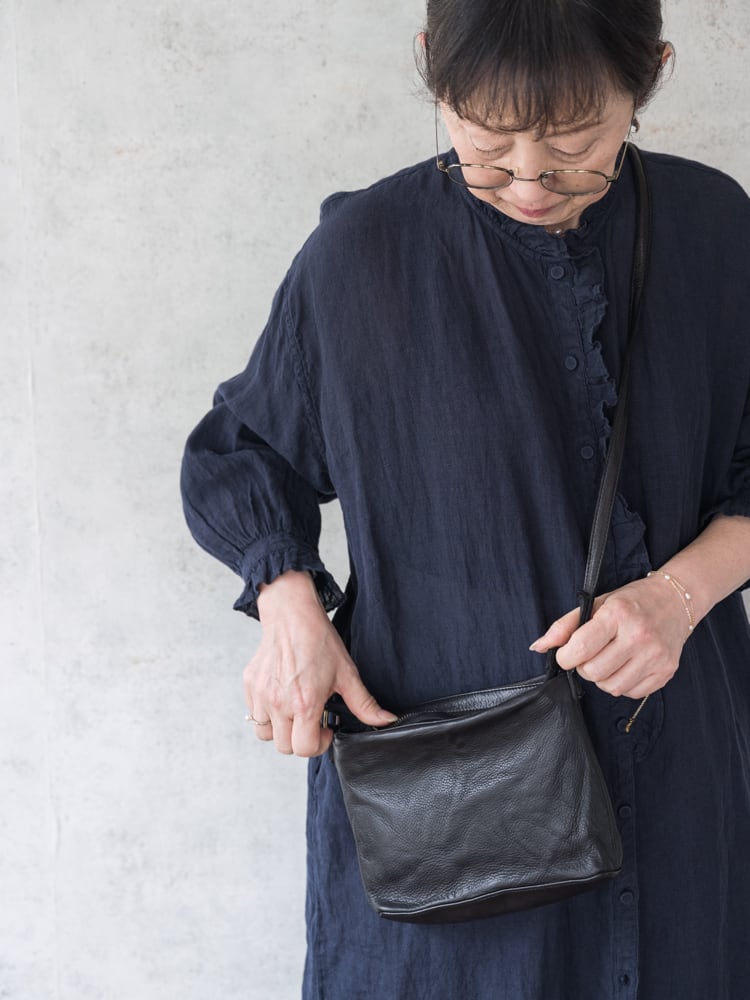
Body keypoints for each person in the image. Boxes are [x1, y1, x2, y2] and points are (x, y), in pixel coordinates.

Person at [180, 1, 750, 996]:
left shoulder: (713, 228)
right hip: (443, 804)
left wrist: (678, 596)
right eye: (485, 144)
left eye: (574, 144)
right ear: (430, 71)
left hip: (675, 777)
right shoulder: (361, 255)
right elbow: (242, 454)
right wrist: (288, 607)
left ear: (651, 74)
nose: (528, 179)